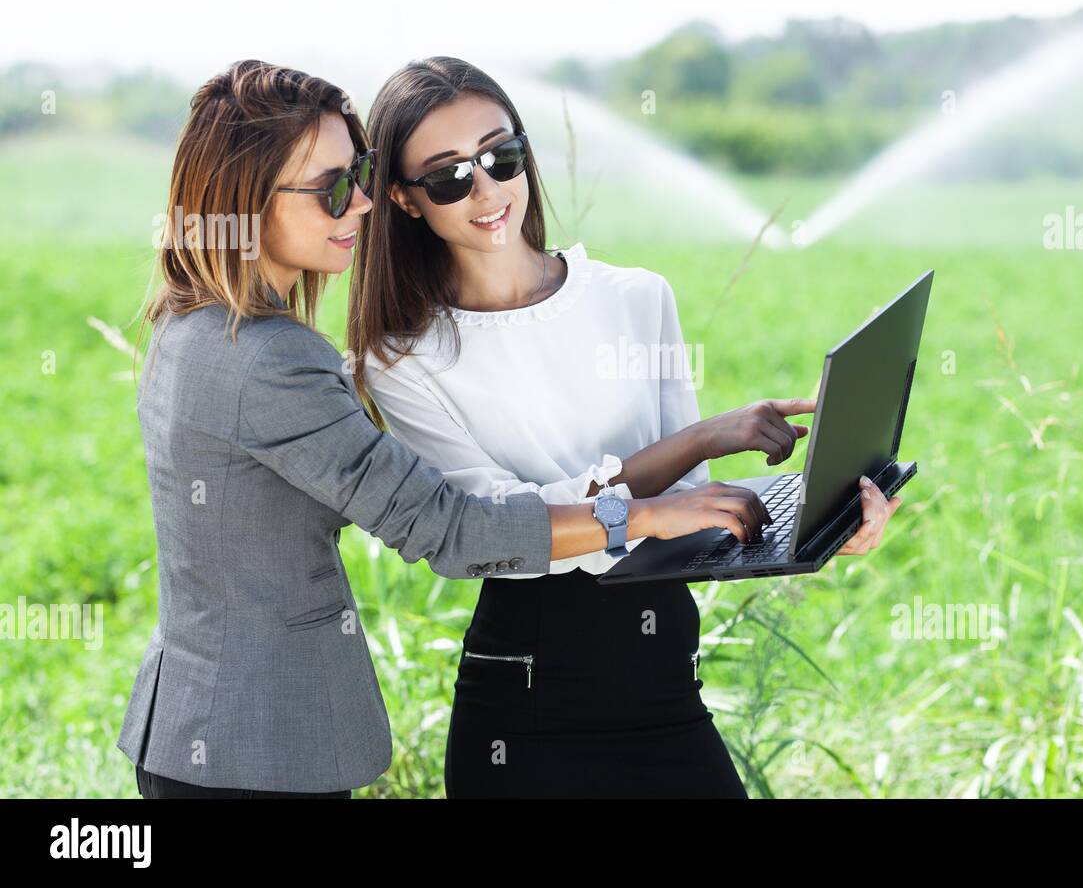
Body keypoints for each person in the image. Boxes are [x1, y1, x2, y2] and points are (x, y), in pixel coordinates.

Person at [120, 59, 772, 798]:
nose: (360, 205)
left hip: (209, 736)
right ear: (246, 200)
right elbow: (451, 528)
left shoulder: (189, 326)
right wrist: (644, 512)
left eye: (359, 174)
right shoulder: (275, 359)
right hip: (259, 750)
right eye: (332, 187)